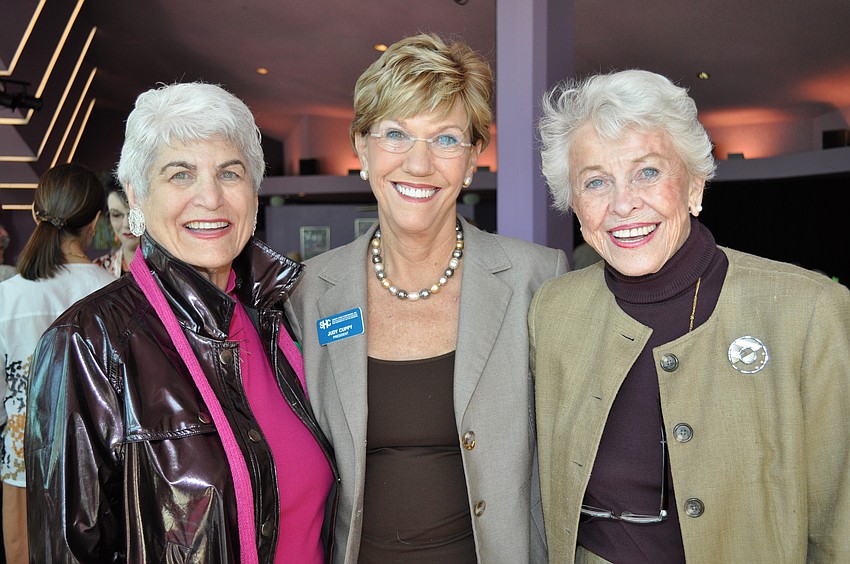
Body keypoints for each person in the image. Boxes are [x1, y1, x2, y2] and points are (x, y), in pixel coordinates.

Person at [531, 69, 850, 562]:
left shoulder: (808, 311)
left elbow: (840, 519)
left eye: (648, 172)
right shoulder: (552, 311)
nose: (622, 203)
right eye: (595, 182)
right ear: (574, 205)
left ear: (695, 185)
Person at [25, 82, 338, 563]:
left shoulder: (284, 318)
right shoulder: (86, 344)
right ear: (136, 194)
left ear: (253, 192)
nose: (210, 198)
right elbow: (69, 549)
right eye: (180, 175)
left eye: (229, 173)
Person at [286, 33, 567, 563]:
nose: (419, 164)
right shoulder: (308, 293)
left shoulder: (536, 278)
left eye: (445, 139)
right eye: (396, 134)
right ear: (362, 148)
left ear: (473, 158)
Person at [0, 163, 116, 564]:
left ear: (36, 213)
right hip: (101, 469)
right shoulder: (115, 294)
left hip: (22, 464)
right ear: (96, 221)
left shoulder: (8, 297)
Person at [94, 184, 140, 276]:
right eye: (116, 215)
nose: (127, 224)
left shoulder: (170, 268)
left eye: (134, 213)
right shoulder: (99, 270)